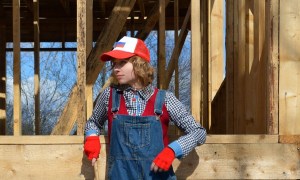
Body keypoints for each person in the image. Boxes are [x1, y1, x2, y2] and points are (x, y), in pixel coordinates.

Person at [84, 36, 206, 180]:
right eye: (114, 64)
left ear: (139, 64)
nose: (116, 69)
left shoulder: (165, 99)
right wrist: (91, 138)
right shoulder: (109, 96)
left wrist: (173, 151)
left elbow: (198, 132)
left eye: (122, 63)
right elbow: (93, 122)